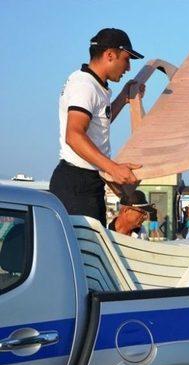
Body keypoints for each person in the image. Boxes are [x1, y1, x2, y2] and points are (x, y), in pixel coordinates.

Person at [49, 28, 145, 226]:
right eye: (126, 59)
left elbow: (100, 122)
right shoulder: (85, 85)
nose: (128, 67)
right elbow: (74, 135)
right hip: (76, 182)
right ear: (110, 55)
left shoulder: (96, 86)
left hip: (89, 181)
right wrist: (113, 168)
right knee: (85, 252)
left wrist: (124, 97)